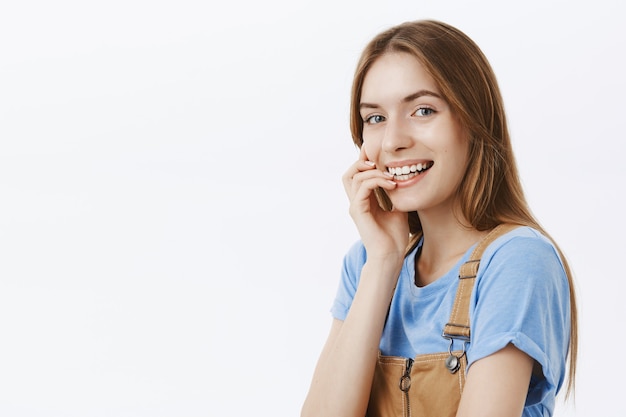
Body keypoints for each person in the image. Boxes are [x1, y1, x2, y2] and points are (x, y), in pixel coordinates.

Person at [301, 20, 577, 417]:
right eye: (375, 118)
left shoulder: (517, 261)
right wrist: (383, 262)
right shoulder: (365, 262)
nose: (393, 140)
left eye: (423, 110)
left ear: (473, 120)